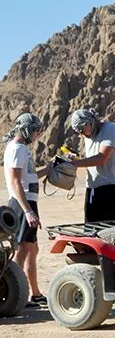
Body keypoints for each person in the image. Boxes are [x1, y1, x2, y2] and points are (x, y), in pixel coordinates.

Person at [4, 113, 50, 306]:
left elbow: (28, 178)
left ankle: (35, 293)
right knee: (24, 248)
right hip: (23, 204)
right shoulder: (17, 149)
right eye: (34, 131)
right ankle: (18, 293)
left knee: (32, 249)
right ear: (25, 129)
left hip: (28, 203)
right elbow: (15, 183)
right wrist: (28, 211)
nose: (36, 135)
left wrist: (49, 168)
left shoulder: (21, 149)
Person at [67, 108, 115, 222]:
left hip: (109, 188)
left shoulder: (110, 129)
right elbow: (91, 159)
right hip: (92, 188)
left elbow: (101, 158)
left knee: (106, 233)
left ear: (90, 122)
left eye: (82, 129)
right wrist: (76, 160)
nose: (81, 134)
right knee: (90, 232)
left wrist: (75, 164)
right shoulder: (89, 136)